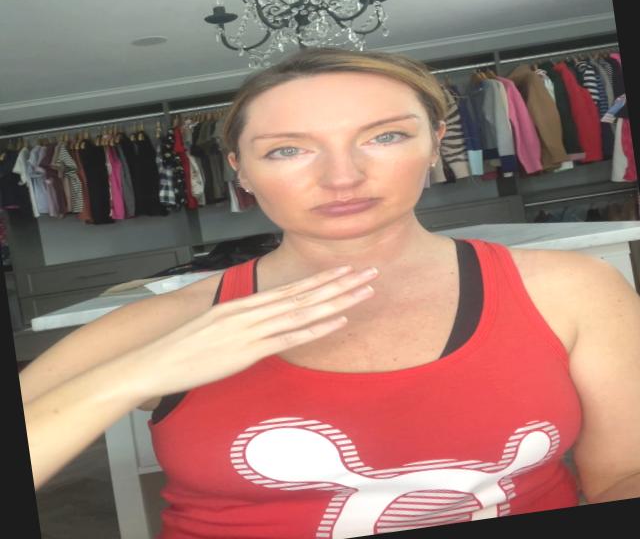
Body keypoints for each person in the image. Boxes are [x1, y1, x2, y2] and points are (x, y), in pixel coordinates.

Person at [19, 48, 640, 538]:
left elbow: (624, 475)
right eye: (288, 150)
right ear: (240, 169)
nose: (342, 176)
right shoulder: (166, 322)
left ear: (435, 143)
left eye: (385, 137)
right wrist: (133, 374)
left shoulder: (572, 289)